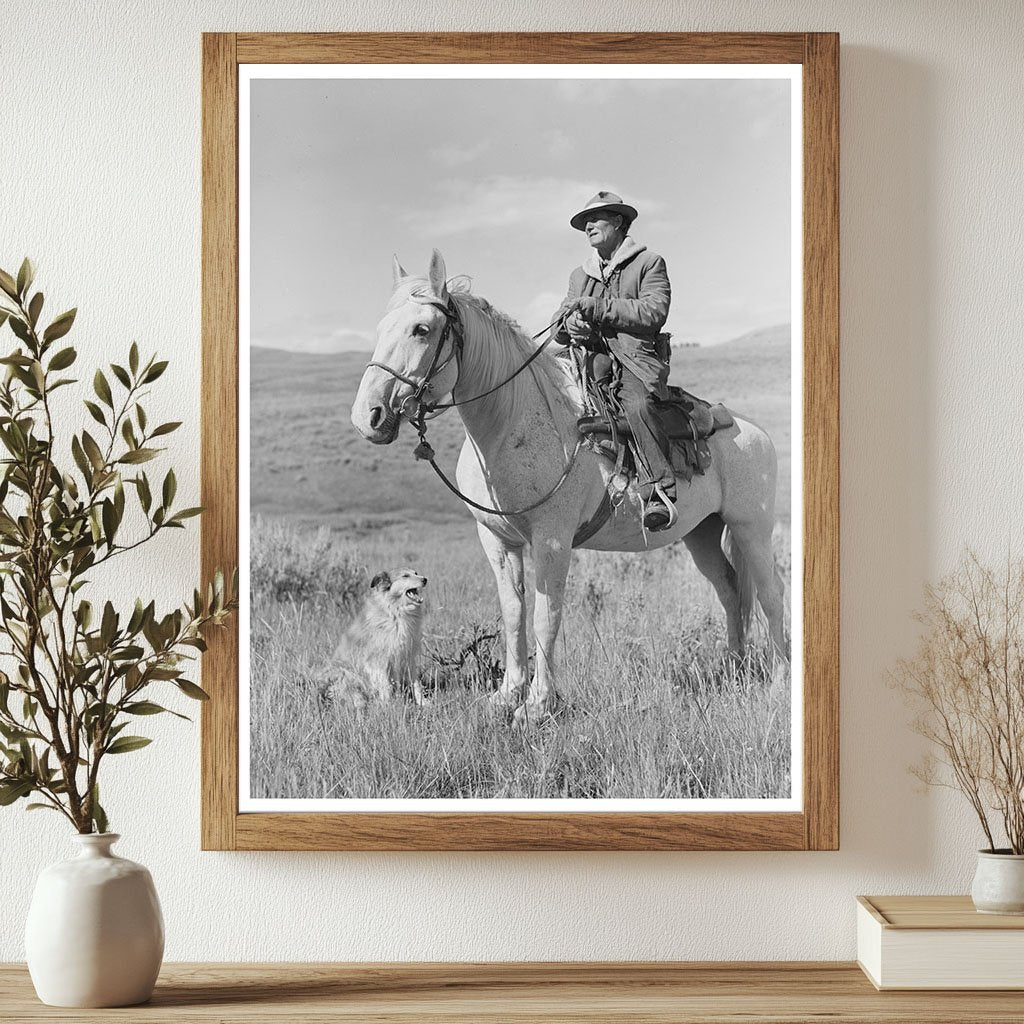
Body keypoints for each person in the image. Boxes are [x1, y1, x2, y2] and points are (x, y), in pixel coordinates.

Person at [551, 191, 676, 531]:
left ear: (619, 222)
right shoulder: (580, 275)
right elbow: (561, 323)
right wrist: (569, 325)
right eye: (584, 223)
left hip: (635, 361)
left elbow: (654, 311)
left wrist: (599, 308)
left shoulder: (649, 262)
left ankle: (658, 493)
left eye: (596, 218)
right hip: (590, 361)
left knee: (637, 407)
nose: (588, 226)